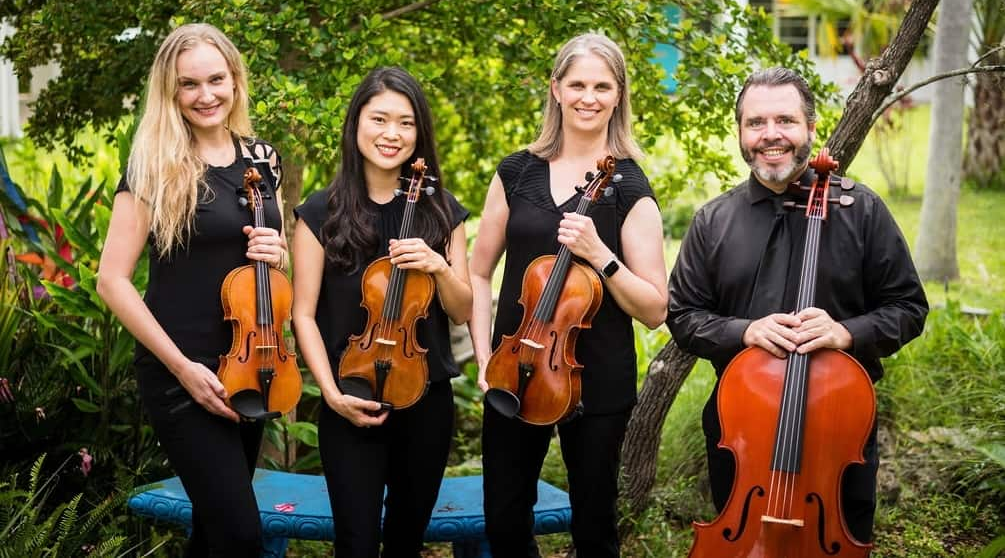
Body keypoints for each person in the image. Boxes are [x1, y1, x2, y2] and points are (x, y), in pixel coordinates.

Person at [667, 66, 929, 543]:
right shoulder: (713, 221)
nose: (771, 135)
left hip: (838, 427)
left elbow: (908, 308)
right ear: (741, 133)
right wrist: (743, 331)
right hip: (740, 426)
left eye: (785, 121)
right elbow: (683, 315)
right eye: (756, 123)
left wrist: (845, 333)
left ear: (811, 128)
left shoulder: (862, 211)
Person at [469, 33, 668, 557]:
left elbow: (654, 309)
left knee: (594, 529)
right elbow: (479, 271)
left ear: (619, 95)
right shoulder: (515, 172)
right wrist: (486, 354)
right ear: (555, 89)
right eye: (577, 84)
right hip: (515, 368)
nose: (589, 97)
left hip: (597, 380)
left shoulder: (630, 187)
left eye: (603, 86)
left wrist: (600, 254)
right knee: (505, 520)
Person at [97, 23, 287, 556]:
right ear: (170, 91)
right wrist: (182, 368)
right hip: (181, 372)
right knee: (242, 534)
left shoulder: (263, 158)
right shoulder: (152, 165)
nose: (206, 95)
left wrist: (279, 254)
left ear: (235, 79)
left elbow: (275, 263)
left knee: (215, 533)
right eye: (189, 85)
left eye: (216, 79)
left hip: (250, 363)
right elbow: (111, 279)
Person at [291, 66, 472, 557]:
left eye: (406, 123)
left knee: (406, 542)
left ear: (420, 133)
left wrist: (438, 266)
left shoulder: (442, 211)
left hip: (426, 399)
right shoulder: (319, 211)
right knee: (355, 541)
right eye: (380, 119)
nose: (392, 134)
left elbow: (461, 310)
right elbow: (302, 314)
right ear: (356, 125)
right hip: (350, 396)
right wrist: (329, 393)